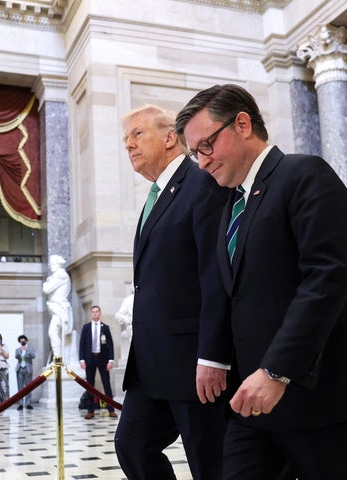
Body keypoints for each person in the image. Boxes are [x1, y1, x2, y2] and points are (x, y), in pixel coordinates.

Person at [175, 84, 347, 480]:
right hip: (253, 401)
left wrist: (277, 370)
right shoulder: (231, 206)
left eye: (205, 145)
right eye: (194, 154)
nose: (201, 162)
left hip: (319, 395)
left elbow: (326, 279)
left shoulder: (304, 174)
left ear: (242, 124)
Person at [114, 104, 230, 480]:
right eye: (125, 139)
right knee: (132, 445)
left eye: (137, 134)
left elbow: (214, 275)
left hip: (192, 361)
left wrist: (213, 356)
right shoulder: (158, 195)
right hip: (152, 361)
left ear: (169, 138)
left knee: (209, 462)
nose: (128, 145)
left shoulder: (201, 183)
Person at [79, 305, 117, 419]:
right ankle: (90, 410)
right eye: (93, 312)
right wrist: (82, 359)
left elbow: (110, 344)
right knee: (90, 385)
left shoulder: (105, 327)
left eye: (97, 312)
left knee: (106, 384)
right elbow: (82, 344)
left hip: (103, 359)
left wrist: (111, 360)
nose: (95, 314)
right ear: (91, 314)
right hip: (89, 359)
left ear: (100, 313)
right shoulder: (86, 328)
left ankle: (111, 409)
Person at [42, 254, 73, 360]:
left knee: (53, 332)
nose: (50, 266)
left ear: (55, 264)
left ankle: (58, 359)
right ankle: (57, 358)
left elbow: (46, 289)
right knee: (55, 333)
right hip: (58, 308)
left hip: (60, 309)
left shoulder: (60, 275)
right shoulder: (58, 275)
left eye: (51, 263)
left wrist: (46, 282)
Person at [14, 334, 36, 410]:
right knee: (20, 387)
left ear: (26, 340)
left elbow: (33, 356)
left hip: (28, 369)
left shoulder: (30, 348)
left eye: (23, 340)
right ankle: (20, 403)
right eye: (21, 341)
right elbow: (16, 356)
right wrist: (20, 351)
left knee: (28, 387)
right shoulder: (18, 349)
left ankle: (28, 403)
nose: (22, 341)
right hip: (20, 369)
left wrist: (27, 350)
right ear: (19, 342)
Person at [114, 288, 134, 365]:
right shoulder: (128, 300)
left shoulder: (147, 298)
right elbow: (118, 315)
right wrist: (126, 320)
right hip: (132, 328)